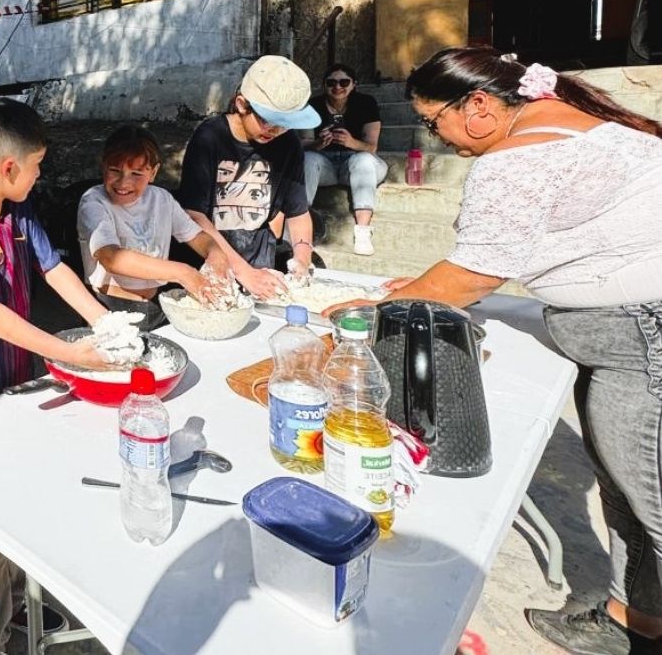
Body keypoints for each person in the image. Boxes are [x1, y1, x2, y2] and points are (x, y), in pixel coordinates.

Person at [325, 46, 662, 655]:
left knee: (654, 502)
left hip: (645, 340)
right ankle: (632, 621)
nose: (438, 136)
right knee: (628, 493)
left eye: (435, 122)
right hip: (628, 342)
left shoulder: (518, 159)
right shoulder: (569, 126)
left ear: (478, 104)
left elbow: (470, 278)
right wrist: (432, 282)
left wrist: (367, 310)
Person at [0, 98, 109, 655]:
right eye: (36, 164)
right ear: (9, 167)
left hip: (16, 389)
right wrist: (70, 354)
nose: (39, 175)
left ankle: (12, 608)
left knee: (21, 506)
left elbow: (53, 269)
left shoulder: (20, 213)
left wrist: (107, 323)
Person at [177, 55, 319, 299]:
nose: (276, 130)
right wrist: (242, 272)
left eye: (285, 124)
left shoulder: (288, 144)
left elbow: (298, 213)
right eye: (269, 121)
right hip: (211, 265)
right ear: (242, 104)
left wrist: (303, 261)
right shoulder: (210, 136)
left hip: (261, 264)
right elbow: (193, 214)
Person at [76, 124, 231, 331]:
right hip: (110, 305)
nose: (124, 183)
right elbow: (111, 257)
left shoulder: (162, 199)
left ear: (154, 172)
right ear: (103, 165)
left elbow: (196, 235)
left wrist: (215, 252)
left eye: (137, 174)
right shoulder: (93, 202)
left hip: (156, 304)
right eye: (115, 171)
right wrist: (183, 272)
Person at [300, 63, 388, 255]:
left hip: (358, 164)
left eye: (344, 82)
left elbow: (371, 147)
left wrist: (351, 142)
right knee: (308, 158)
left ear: (353, 84)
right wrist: (318, 143)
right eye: (331, 82)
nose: (337, 87)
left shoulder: (366, 103)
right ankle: (301, 225)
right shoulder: (313, 106)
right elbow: (304, 144)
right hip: (326, 164)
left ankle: (363, 231)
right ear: (324, 85)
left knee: (363, 160)